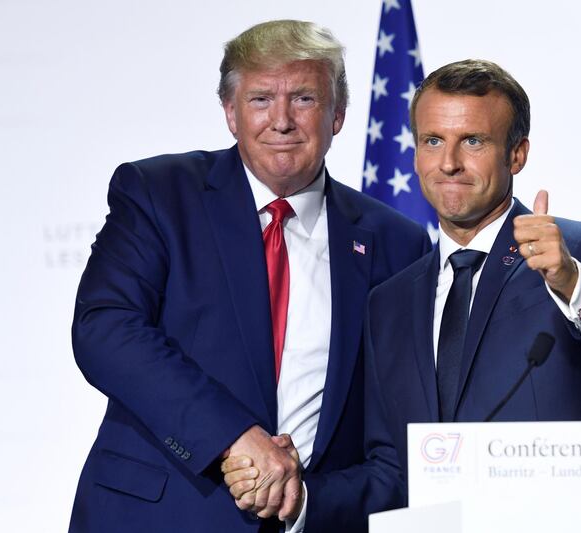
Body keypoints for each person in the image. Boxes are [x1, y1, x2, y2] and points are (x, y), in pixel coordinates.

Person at [68, 20, 430, 533]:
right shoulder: (158, 193)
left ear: (339, 115)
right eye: (261, 99)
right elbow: (105, 330)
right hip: (155, 516)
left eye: (304, 98)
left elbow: (395, 434)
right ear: (230, 113)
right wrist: (233, 436)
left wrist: (307, 502)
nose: (281, 121)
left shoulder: (397, 242)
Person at [358, 59, 581, 504]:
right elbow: (387, 463)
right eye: (432, 140)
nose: (448, 163)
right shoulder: (387, 302)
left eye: (473, 141)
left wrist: (569, 279)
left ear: (517, 153)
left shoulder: (577, 249)